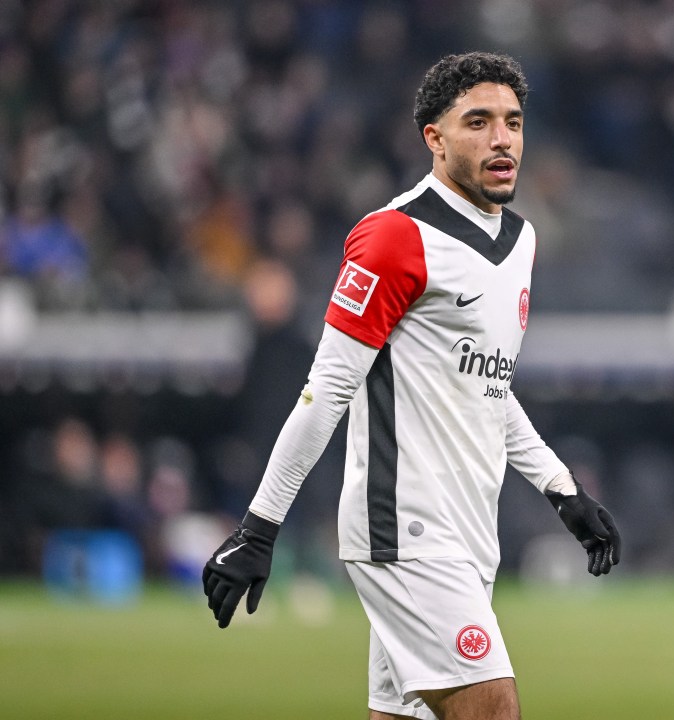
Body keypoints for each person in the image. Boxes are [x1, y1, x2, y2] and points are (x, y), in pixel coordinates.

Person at [201, 51, 621, 720]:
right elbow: (326, 392)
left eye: (512, 122)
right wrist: (258, 529)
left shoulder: (520, 240)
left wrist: (561, 489)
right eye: (477, 122)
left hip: (470, 532)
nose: (501, 138)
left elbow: (486, 384)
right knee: (491, 708)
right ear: (434, 137)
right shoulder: (395, 237)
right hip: (403, 532)